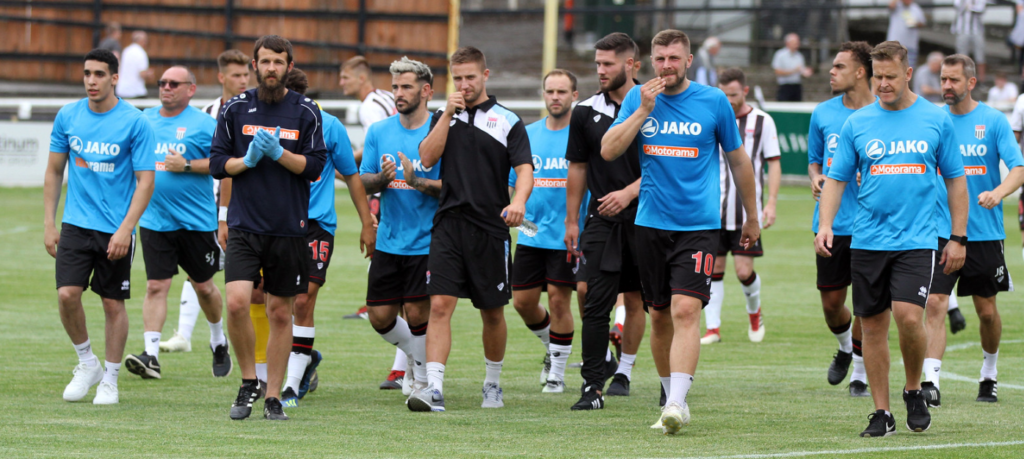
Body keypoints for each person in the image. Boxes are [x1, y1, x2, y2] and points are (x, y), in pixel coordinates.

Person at [602, 29, 761, 434]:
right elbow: (609, 150)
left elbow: (740, 162)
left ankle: (675, 403)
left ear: (689, 60)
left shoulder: (712, 102)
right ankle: (670, 393)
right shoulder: (639, 99)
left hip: (699, 226)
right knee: (658, 317)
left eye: (674, 58)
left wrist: (751, 216)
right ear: (650, 61)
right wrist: (641, 111)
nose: (667, 65)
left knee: (686, 309)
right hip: (650, 224)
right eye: (660, 58)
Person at [815, 41, 968, 437]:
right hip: (867, 241)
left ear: (908, 74)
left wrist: (958, 237)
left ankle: (914, 389)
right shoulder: (858, 123)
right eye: (878, 77)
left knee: (909, 317)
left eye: (890, 77)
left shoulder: (936, 119)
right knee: (873, 328)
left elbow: (955, 180)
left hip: (917, 240)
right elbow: (836, 179)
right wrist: (827, 224)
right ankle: (882, 413)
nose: (883, 84)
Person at [405, 46, 534, 412]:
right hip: (448, 225)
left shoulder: (508, 120)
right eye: (457, 78)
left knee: (492, 312)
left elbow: (525, 170)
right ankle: (434, 388)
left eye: (470, 77)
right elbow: (427, 158)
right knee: (440, 305)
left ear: (485, 76)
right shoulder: (443, 116)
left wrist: (519, 202)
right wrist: (446, 112)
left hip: (491, 229)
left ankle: (492, 384)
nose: (463, 84)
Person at [209, 35, 327, 421]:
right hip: (244, 225)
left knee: (280, 314)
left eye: (279, 62)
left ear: (289, 66)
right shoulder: (235, 109)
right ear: (255, 66)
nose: (271, 68)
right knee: (238, 302)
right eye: (265, 62)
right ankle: (248, 381)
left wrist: (279, 154)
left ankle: (273, 395)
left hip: (290, 228)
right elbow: (216, 164)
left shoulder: (307, 112)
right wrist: (249, 160)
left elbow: (314, 168)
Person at [43, 49, 156, 405]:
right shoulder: (68, 116)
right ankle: (86, 362)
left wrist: (126, 229)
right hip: (76, 223)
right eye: (87, 73)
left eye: (99, 74)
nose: (91, 80)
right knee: (66, 295)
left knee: (112, 304)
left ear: (115, 78)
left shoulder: (135, 122)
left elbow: (145, 181)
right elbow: (53, 171)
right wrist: (49, 221)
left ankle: (110, 379)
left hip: (115, 228)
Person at [921, 54, 1024, 408]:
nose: (946, 86)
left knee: (987, 312)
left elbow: (1019, 168)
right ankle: (930, 381)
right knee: (934, 303)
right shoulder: (932, 121)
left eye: (952, 80)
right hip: (938, 232)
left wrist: (998, 192)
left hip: (984, 233)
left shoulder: (993, 121)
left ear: (971, 82)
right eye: (942, 80)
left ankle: (989, 374)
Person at [125, 66, 229, 380]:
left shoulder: (205, 123)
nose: (166, 87)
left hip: (196, 222)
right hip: (155, 220)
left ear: (191, 89)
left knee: (204, 286)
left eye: (173, 83)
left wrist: (184, 165)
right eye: (162, 83)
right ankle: (151, 356)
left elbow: (222, 165)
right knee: (156, 285)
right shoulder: (144, 119)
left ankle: (217, 339)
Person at [279, 68, 376, 407]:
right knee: (274, 303)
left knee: (304, 300)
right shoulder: (266, 124)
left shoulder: (329, 125)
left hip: (316, 225)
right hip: (275, 224)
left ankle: (290, 385)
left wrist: (367, 223)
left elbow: (351, 176)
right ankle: (303, 358)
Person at [564, 32, 646, 411]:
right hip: (602, 221)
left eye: (608, 64)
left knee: (645, 302)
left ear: (631, 65)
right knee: (593, 301)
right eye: (597, 64)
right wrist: (572, 220)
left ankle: (629, 372)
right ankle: (593, 386)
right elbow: (578, 168)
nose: (600, 70)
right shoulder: (584, 112)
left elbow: (673, 164)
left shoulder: (657, 105)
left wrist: (630, 192)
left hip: (651, 218)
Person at [359, 57, 440, 399]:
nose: (398, 93)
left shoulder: (440, 129)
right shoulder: (380, 131)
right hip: (390, 240)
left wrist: (417, 181)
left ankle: (421, 379)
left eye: (406, 87)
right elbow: (362, 180)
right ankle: (413, 356)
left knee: (419, 312)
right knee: (379, 315)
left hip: (428, 241)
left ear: (426, 91)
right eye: (394, 87)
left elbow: (454, 187)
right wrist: (381, 179)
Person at [160, 49, 251, 354]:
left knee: (252, 280)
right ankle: (185, 334)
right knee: (199, 270)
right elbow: (210, 161)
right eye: (236, 75)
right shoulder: (205, 114)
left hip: (249, 206)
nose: (243, 80)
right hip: (208, 206)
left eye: (245, 75)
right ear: (221, 77)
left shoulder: (255, 111)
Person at [807, 41, 875, 397]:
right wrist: (817, 177)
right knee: (832, 304)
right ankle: (847, 347)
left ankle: (860, 374)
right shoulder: (823, 113)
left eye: (838, 66)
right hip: (830, 222)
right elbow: (814, 161)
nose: (831, 72)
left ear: (860, 71)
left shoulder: (884, 111)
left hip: (872, 224)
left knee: (866, 302)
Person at [338, 55, 408, 391]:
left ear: (360, 77)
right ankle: (406, 365)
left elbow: (382, 152)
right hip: (392, 189)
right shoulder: (377, 101)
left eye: (344, 77)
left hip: (394, 192)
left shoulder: (371, 106)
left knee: (393, 273)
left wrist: (341, 167)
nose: (341, 83)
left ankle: (406, 366)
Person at [509, 69, 579, 393]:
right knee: (522, 301)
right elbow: (513, 183)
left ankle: (558, 373)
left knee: (558, 299)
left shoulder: (581, 136)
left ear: (574, 96)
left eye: (562, 92)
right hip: (531, 232)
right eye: (550, 91)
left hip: (566, 235)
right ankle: (553, 349)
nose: (555, 97)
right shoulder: (527, 134)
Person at [702, 67, 780, 345]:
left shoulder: (762, 121)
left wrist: (770, 202)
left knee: (744, 271)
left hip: (745, 212)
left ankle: (754, 314)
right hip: (712, 210)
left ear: (744, 91)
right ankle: (713, 328)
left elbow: (773, 161)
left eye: (733, 94)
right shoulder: (710, 117)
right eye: (723, 94)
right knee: (713, 270)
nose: (729, 100)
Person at [953, 0, 987, 82]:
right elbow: (959, 7)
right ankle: (962, 79)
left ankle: (982, 80)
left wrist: (970, 6)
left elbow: (980, 9)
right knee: (961, 57)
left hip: (977, 31)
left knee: (980, 56)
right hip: (962, 30)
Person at [772, 33, 813, 101]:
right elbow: (777, 71)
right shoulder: (780, 55)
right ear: (788, 43)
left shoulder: (799, 56)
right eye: (795, 42)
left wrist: (806, 73)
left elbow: (801, 71)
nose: (797, 45)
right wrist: (793, 71)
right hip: (785, 86)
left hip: (796, 86)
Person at [887, 0, 926, 66]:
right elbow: (891, 6)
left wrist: (915, 24)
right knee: (892, 67)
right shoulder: (897, 6)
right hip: (895, 45)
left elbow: (922, 22)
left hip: (910, 46)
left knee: (908, 68)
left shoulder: (916, 8)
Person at [115, 31, 152, 99]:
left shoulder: (126, 51)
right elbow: (142, 74)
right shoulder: (141, 53)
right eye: (145, 40)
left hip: (122, 90)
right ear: (142, 41)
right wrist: (149, 74)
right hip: (136, 92)